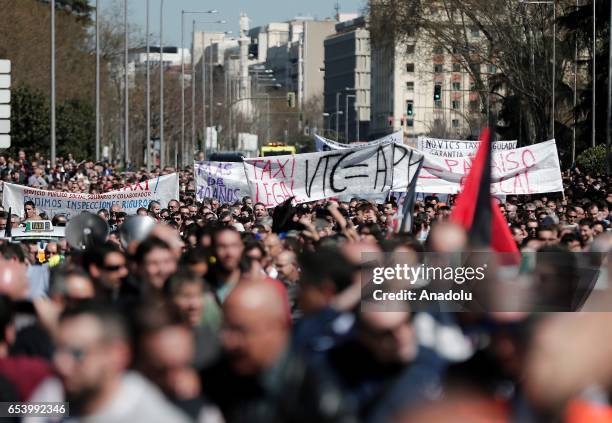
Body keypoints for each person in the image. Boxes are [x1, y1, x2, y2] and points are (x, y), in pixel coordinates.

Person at [201, 280, 356, 423]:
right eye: (225, 329)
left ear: (277, 327)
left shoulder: (319, 397)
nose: (229, 341)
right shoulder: (213, 380)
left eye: (241, 330)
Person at [29, 302, 190, 422]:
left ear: (117, 355)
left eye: (77, 353)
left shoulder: (150, 416)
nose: (60, 364)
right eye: (58, 350)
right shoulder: (57, 397)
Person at [207, 227, 244, 303]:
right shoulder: (202, 288)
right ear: (213, 249)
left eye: (234, 245)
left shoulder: (255, 284)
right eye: (222, 246)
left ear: (241, 248)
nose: (229, 253)